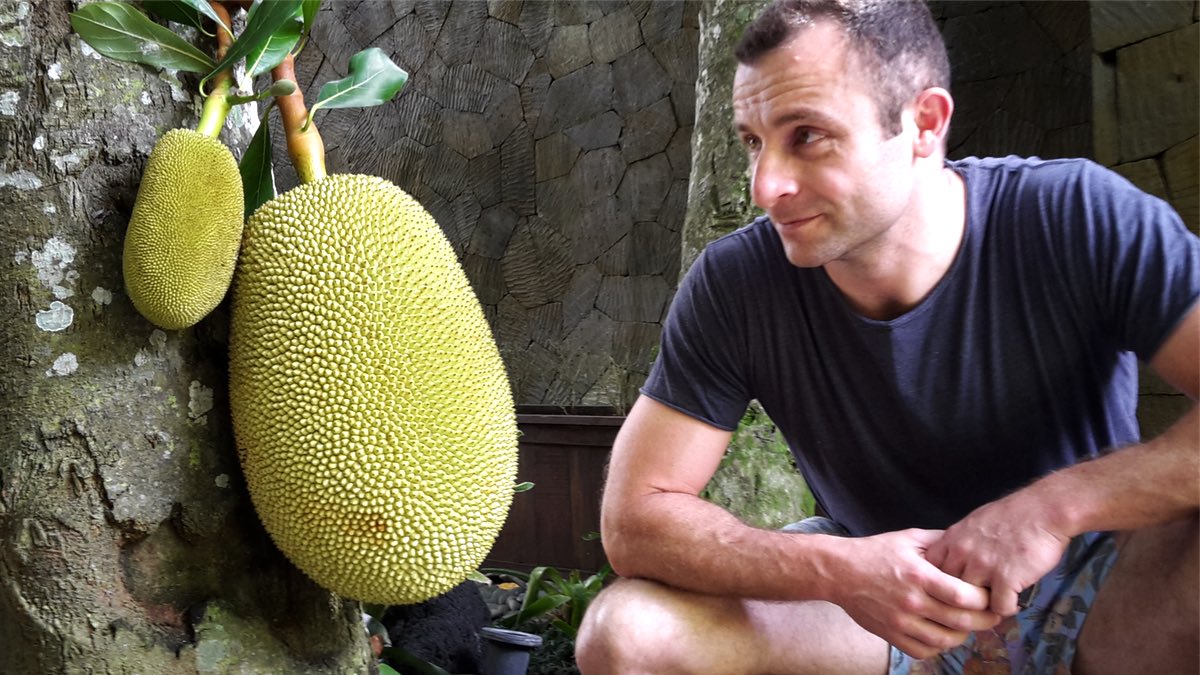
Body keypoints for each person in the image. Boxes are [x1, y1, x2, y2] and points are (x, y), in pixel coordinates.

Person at [573, 0, 1199, 673]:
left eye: (806, 135)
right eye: (753, 140)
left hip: (1102, 579)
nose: (766, 185)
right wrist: (841, 569)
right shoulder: (737, 282)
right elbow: (636, 517)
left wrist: (1052, 507)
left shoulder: (1076, 214)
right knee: (628, 631)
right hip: (873, 604)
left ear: (925, 123)